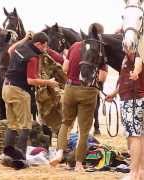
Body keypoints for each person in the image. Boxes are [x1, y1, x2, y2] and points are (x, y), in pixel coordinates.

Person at [50, 23, 108, 171]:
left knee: (66, 123)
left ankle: (59, 152)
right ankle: (78, 164)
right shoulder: (100, 49)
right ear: (100, 35)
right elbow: (102, 77)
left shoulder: (75, 46)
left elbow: (65, 68)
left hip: (70, 89)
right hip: (88, 92)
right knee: (84, 130)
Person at [2, 31, 59, 160]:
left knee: (12, 124)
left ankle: (6, 154)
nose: (45, 49)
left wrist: (24, 39)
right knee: (25, 125)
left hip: (6, 88)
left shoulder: (21, 47)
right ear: (39, 44)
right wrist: (48, 82)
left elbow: (10, 50)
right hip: (19, 91)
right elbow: (31, 80)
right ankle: (20, 157)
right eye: (44, 46)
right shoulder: (33, 57)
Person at [106, 52, 144, 180]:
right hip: (132, 98)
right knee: (140, 136)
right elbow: (122, 79)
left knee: (134, 137)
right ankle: (140, 171)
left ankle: (134, 173)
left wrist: (136, 72)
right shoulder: (126, 57)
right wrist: (114, 93)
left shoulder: (137, 53)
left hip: (133, 100)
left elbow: (139, 62)